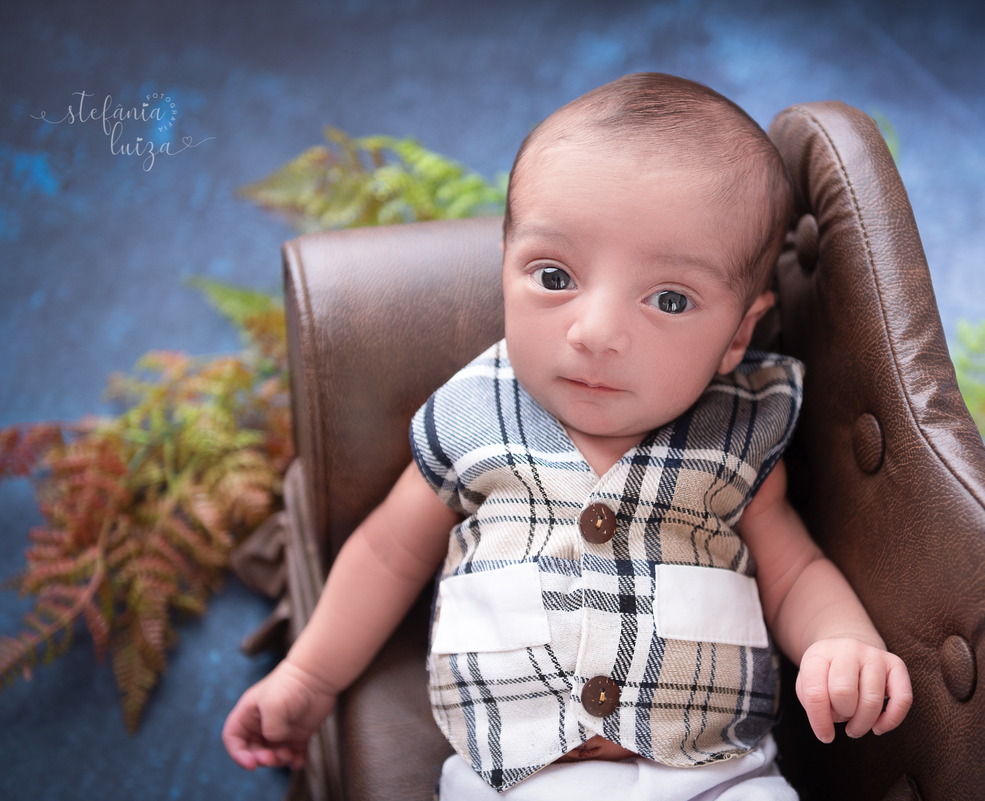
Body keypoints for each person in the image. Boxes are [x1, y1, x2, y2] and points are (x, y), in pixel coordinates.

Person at [223, 73, 912, 801]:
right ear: (504, 270)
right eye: (554, 277)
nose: (596, 332)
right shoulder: (471, 414)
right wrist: (308, 677)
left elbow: (794, 571)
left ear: (739, 333)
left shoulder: (740, 430)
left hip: (712, 774)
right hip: (509, 779)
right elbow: (387, 552)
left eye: (669, 299)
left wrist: (842, 641)